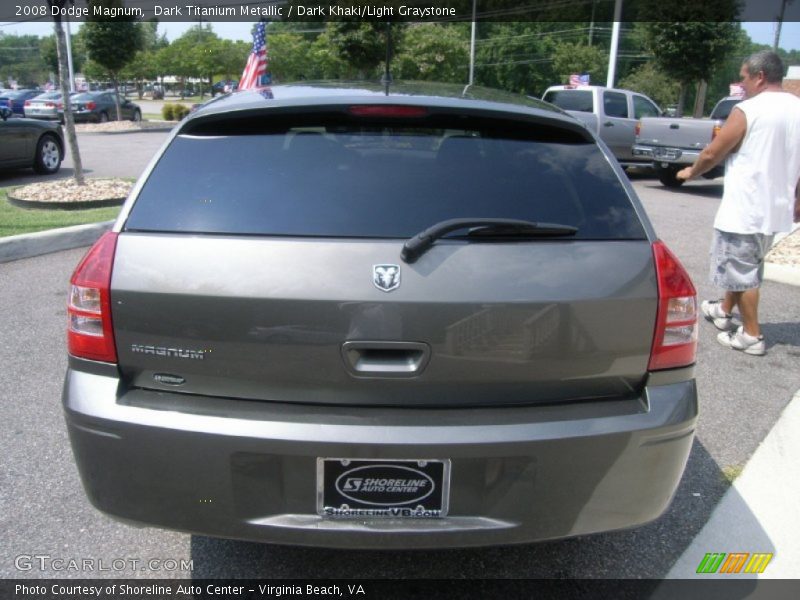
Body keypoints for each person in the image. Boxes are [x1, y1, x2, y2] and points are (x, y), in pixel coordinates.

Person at [676, 50, 800, 356]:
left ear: (759, 76)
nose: (741, 83)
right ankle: (723, 310)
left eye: (743, 77)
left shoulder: (748, 110)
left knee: (743, 273)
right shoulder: (797, 108)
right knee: (746, 263)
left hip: (746, 207)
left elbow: (711, 153)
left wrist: (691, 171)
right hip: (775, 208)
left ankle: (751, 336)